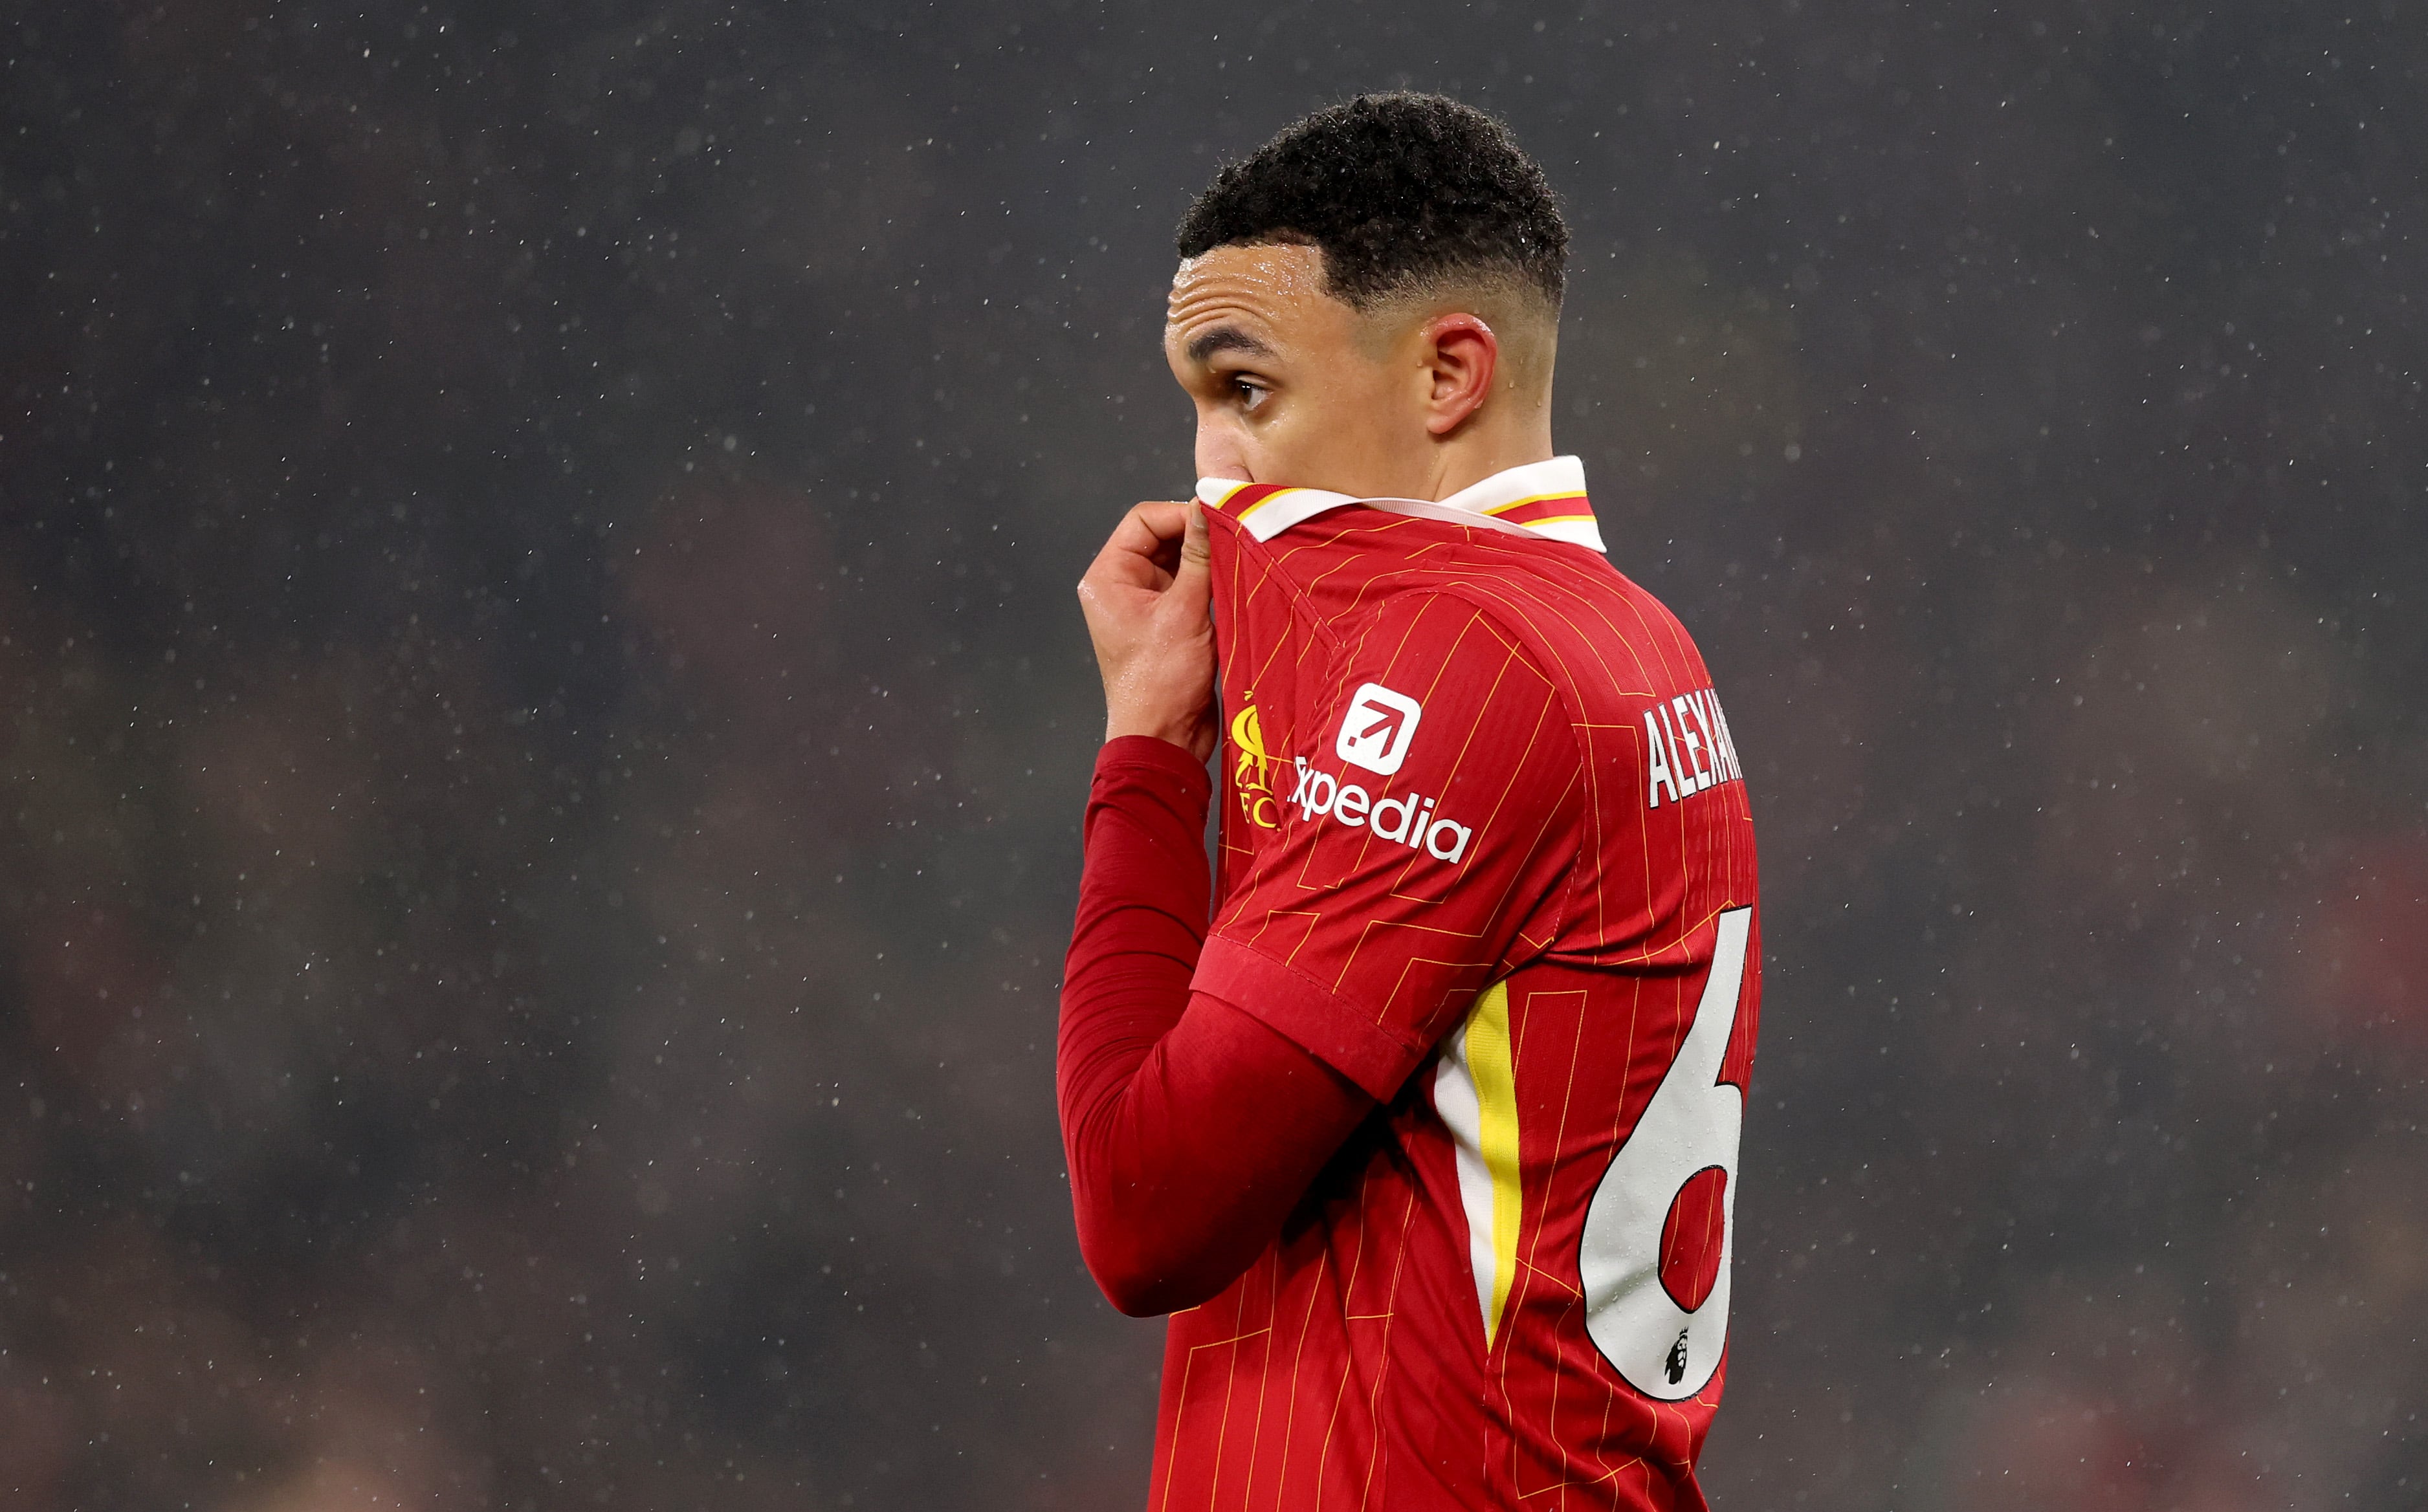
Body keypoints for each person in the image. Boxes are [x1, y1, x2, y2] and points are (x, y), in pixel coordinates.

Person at [1063, 93, 1762, 1509]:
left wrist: (1148, 754)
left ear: (1447, 376)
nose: (1211, 471)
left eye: (1245, 390)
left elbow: (1146, 1210)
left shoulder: (1465, 664)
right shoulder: (1633, 637)